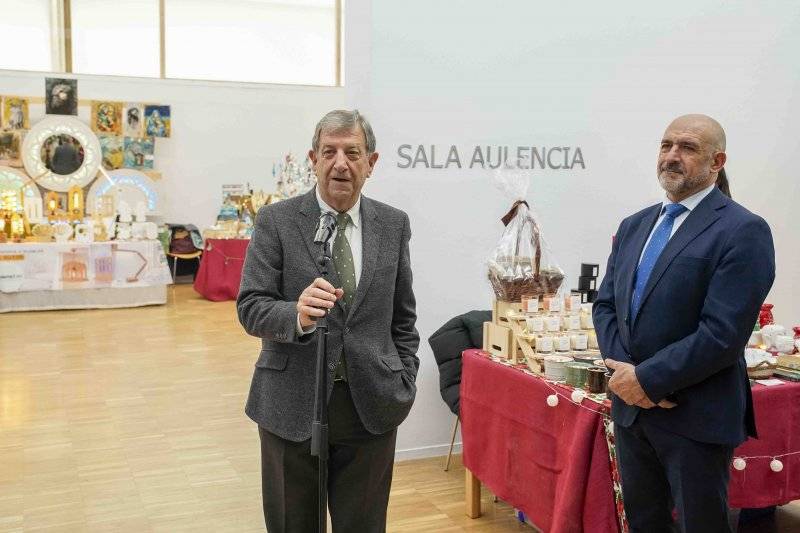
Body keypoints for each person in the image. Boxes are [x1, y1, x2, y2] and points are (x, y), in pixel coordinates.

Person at [237, 109, 419, 532]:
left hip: (370, 405)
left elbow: (403, 317)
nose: (340, 163)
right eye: (329, 152)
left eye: (352, 153)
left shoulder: (393, 225)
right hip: (290, 404)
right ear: (313, 159)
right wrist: (296, 314)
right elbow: (251, 306)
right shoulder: (276, 221)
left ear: (371, 163)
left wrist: (403, 377)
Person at [593, 114, 775, 533]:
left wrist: (648, 381)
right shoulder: (634, 225)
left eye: (688, 147)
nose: (672, 156)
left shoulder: (743, 230)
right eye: (666, 145)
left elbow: (722, 334)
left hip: (695, 415)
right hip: (632, 412)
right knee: (645, 522)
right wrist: (627, 378)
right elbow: (606, 307)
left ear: (717, 162)